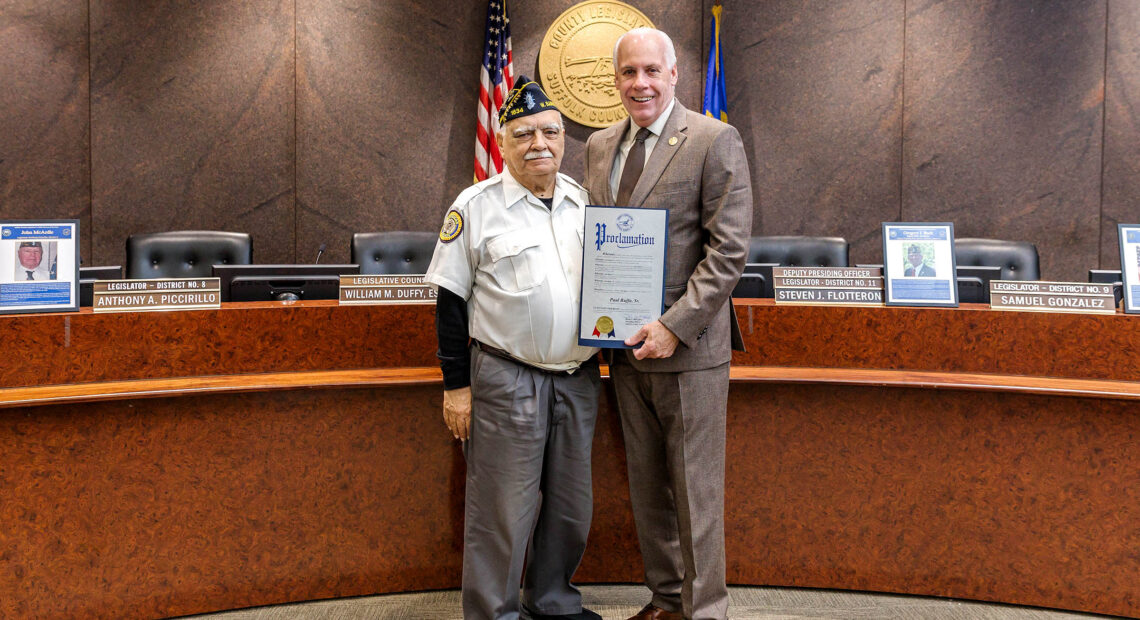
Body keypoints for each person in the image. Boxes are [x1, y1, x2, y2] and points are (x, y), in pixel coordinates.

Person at [582, 28, 753, 620]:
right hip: (623, 348)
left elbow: (728, 253)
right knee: (648, 487)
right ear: (617, 80)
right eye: (629, 73)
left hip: (689, 350)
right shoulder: (600, 146)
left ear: (675, 74)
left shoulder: (713, 139)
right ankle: (667, 599)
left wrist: (674, 326)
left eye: (652, 71)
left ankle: (704, 611)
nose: (641, 84)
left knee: (695, 491)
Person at [424, 77, 602, 620]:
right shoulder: (475, 206)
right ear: (503, 141)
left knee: (571, 508)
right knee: (502, 510)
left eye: (550, 131)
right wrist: (457, 387)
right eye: (524, 134)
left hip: (578, 378)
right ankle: (494, 613)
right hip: (506, 378)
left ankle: (552, 602)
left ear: (565, 138)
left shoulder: (583, 200)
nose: (539, 143)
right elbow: (449, 302)